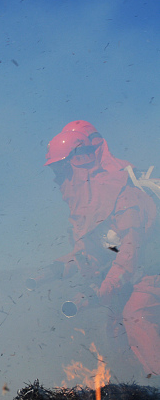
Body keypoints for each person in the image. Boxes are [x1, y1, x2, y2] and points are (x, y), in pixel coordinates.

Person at [43, 121, 160, 377]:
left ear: (83, 159)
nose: (60, 178)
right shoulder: (91, 204)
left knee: (136, 315)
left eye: (62, 169)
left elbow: (130, 248)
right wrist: (65, 266)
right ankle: (143, 393)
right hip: (135, 275)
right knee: (116, 328)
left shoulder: (125, 193)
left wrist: (107, 287)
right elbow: (99, 250)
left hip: (152, 271)